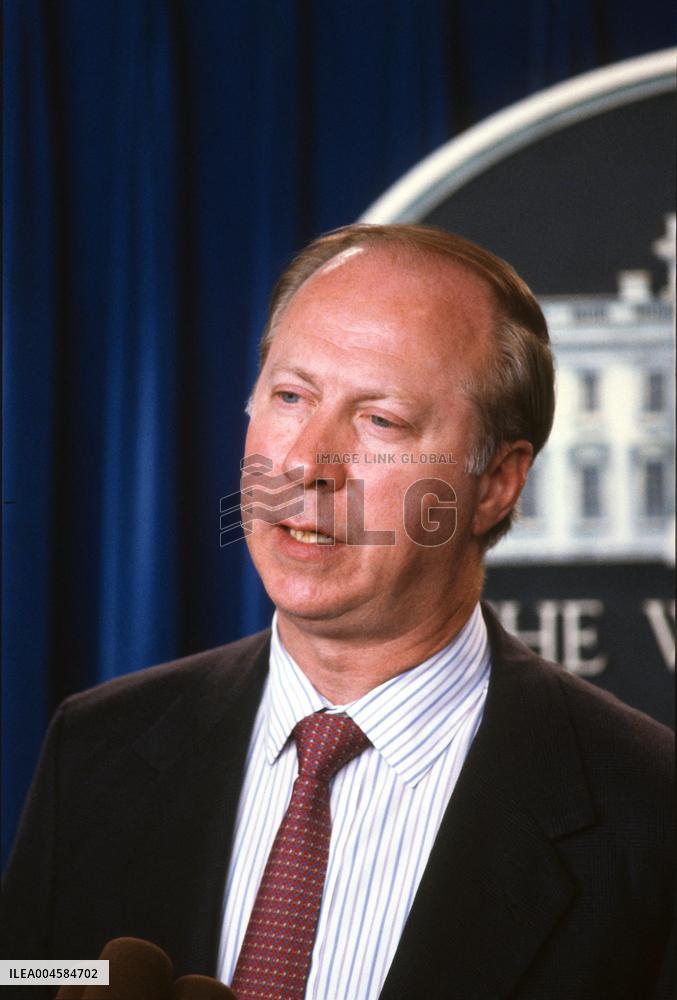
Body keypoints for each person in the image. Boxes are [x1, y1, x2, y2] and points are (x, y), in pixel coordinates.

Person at [2, 224, 674, 1000]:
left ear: (495, 481)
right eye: (291, 397)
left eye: (379, 420)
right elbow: (23, 970)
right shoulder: (98, 747)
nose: (306, 463)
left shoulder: (648, 814)